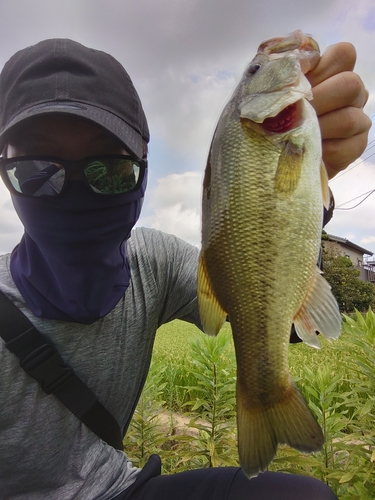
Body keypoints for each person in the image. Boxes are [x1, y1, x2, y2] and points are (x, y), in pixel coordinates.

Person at [0, 38, 370, 500]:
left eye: (110, 169)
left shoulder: (152, 264)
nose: (75, 192)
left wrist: (308, 200)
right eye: (36, 169)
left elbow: (277, 320)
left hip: (116, 488)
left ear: (143, 170)